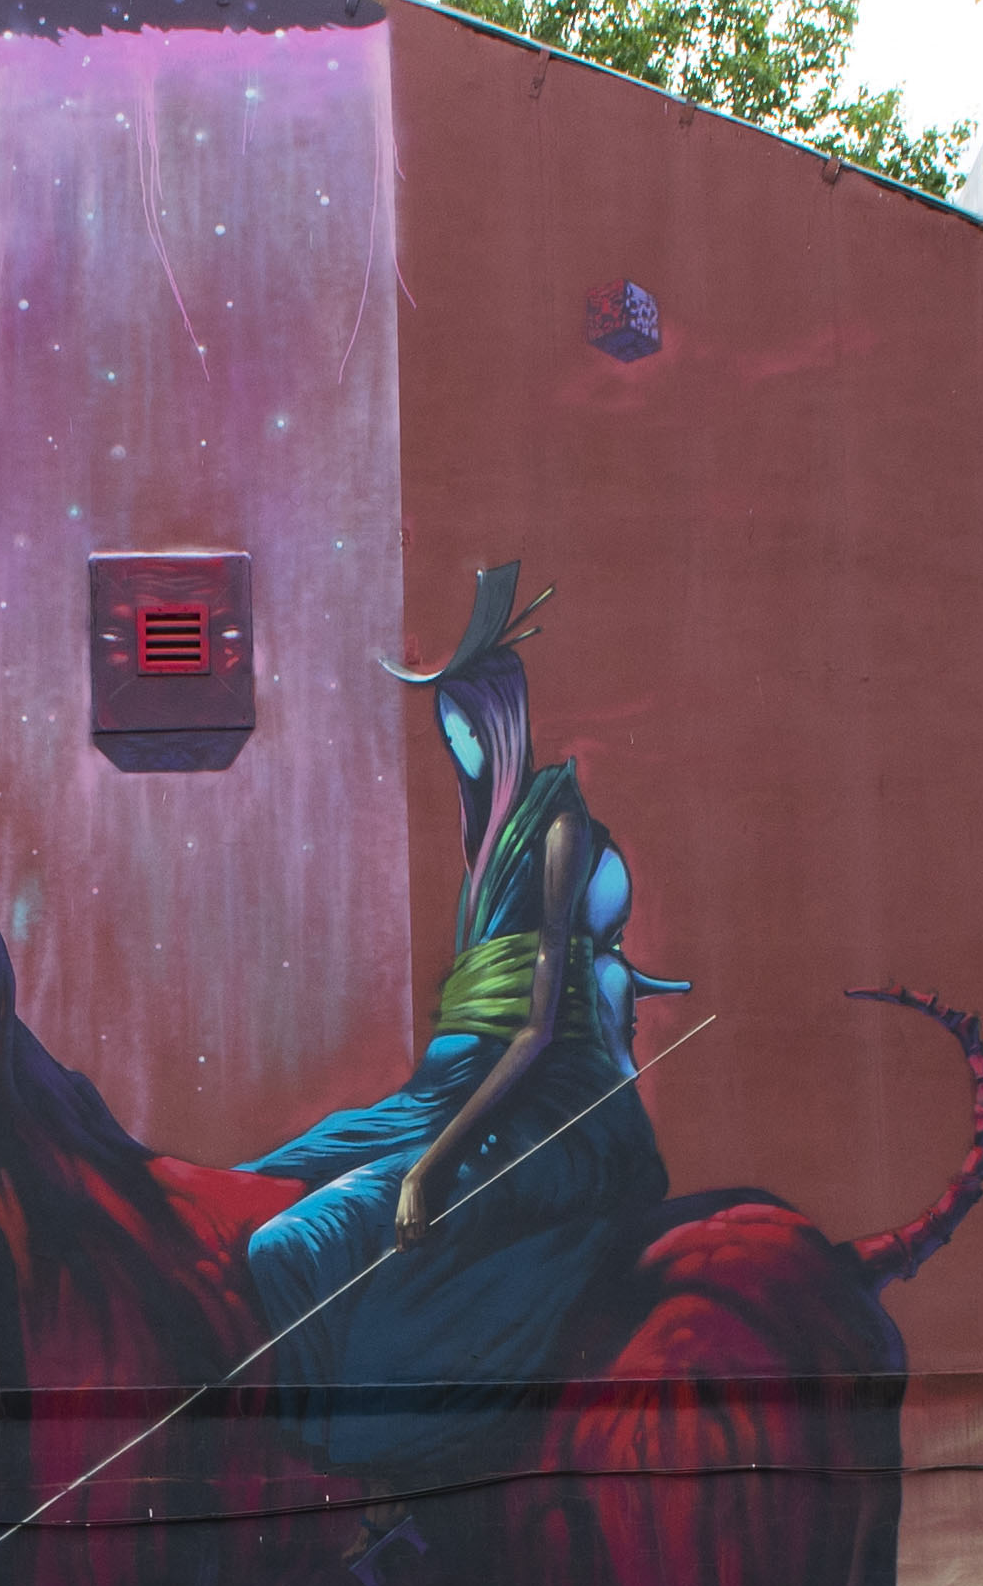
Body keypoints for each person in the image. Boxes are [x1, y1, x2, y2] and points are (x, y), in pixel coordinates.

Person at [237, 564, 675, 1489]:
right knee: (252, 1185)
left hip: (545, 1118)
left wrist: (431, 1167)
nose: (458, 749)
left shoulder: (557, 829)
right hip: (437, 1098)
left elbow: (535, 1033)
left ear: (502, 721)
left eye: (467, 728)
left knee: (293, 1243)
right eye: (448, 733)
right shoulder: (484, 850)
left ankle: (337, 1471)